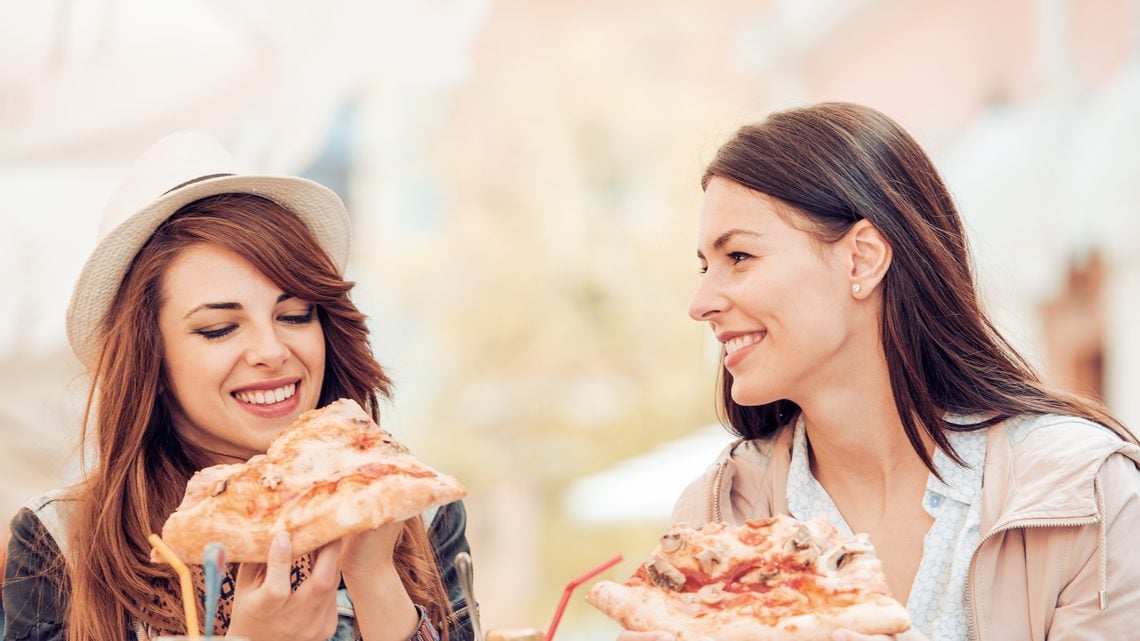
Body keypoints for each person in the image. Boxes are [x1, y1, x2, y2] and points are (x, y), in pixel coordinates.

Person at [624, 103, 1140, 641]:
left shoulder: (1086, 495)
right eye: (706, 267)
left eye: (739, 257)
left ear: (862, 259)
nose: (700, 302)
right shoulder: (717, 513)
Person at [2, 132, 475, 641]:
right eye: (219, 329)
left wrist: (375, 578)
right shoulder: (61, 539)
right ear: (151, 361)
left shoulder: (415, 512)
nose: (271, 351)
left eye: (295, 315)